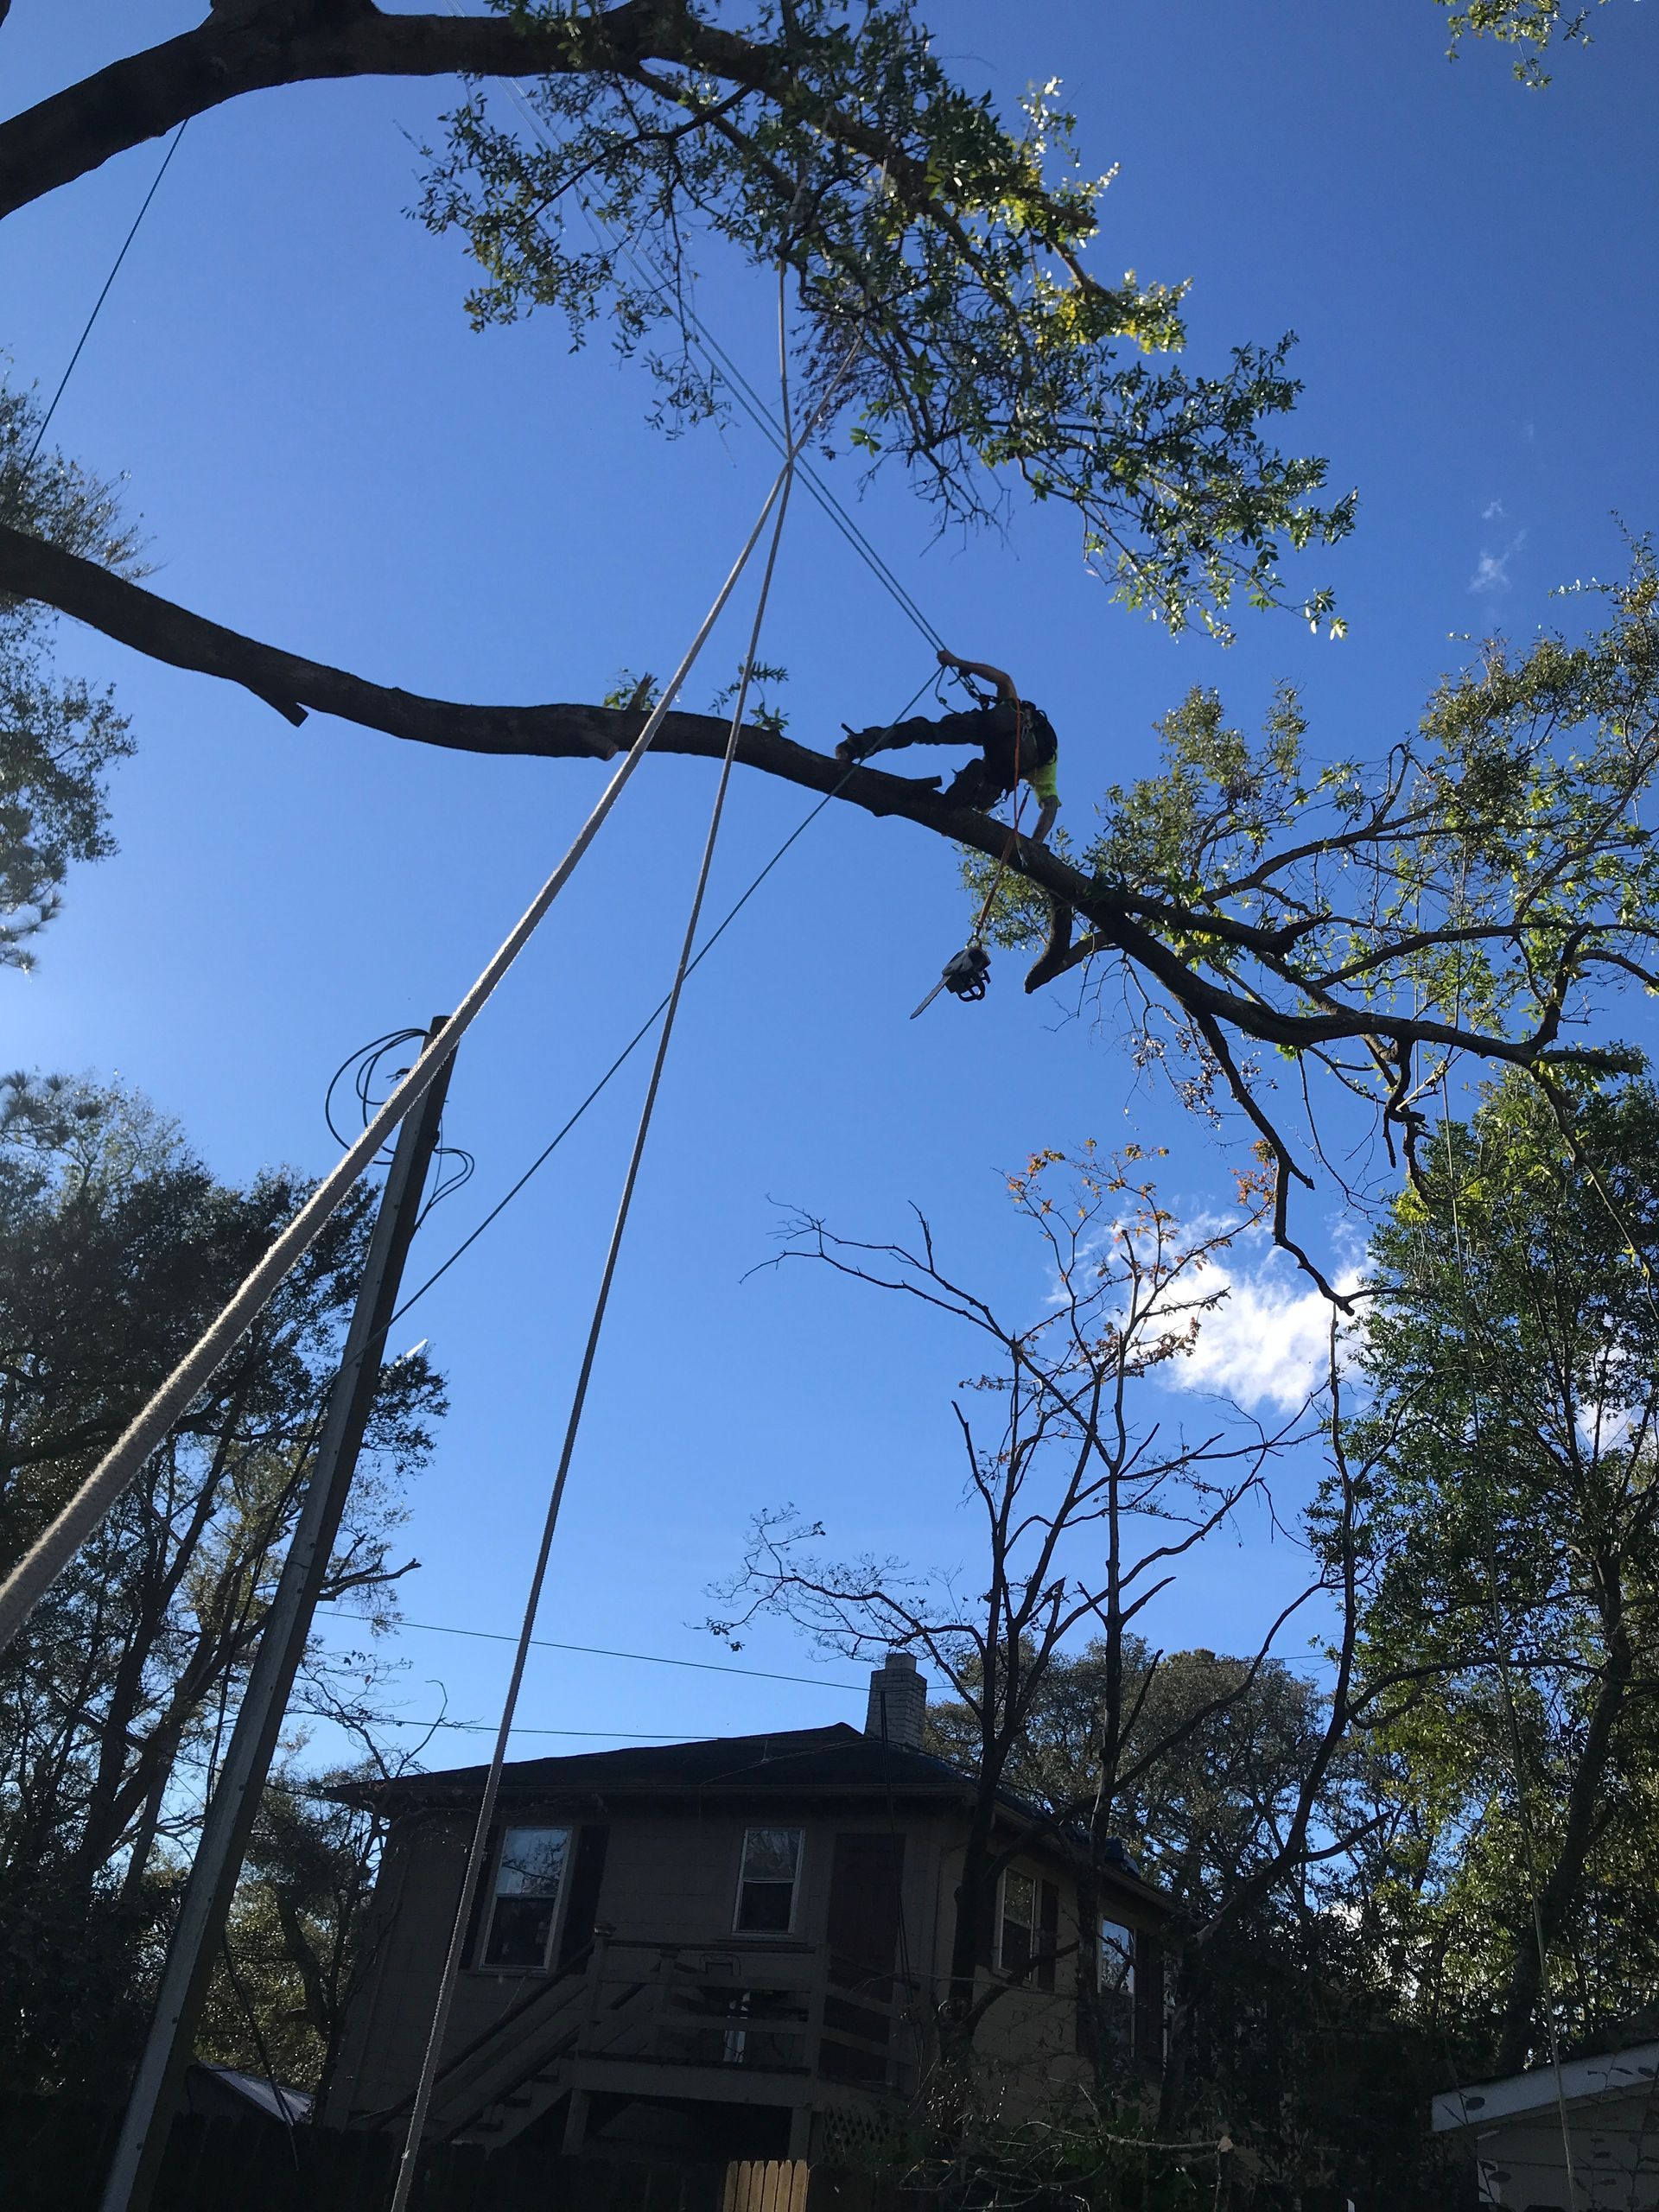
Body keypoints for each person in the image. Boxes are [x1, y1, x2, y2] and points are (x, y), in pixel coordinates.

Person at [835, 649, 1061, 842]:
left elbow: (1003, 679)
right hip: (1008, 760)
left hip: (994, 724)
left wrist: (958, 662)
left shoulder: (1014, 710)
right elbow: (1050, 805)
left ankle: (855, 746)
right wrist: (1035, 843)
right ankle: (968, 798)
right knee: (989, 780)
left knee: (924, 731)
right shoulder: (1045, 763)